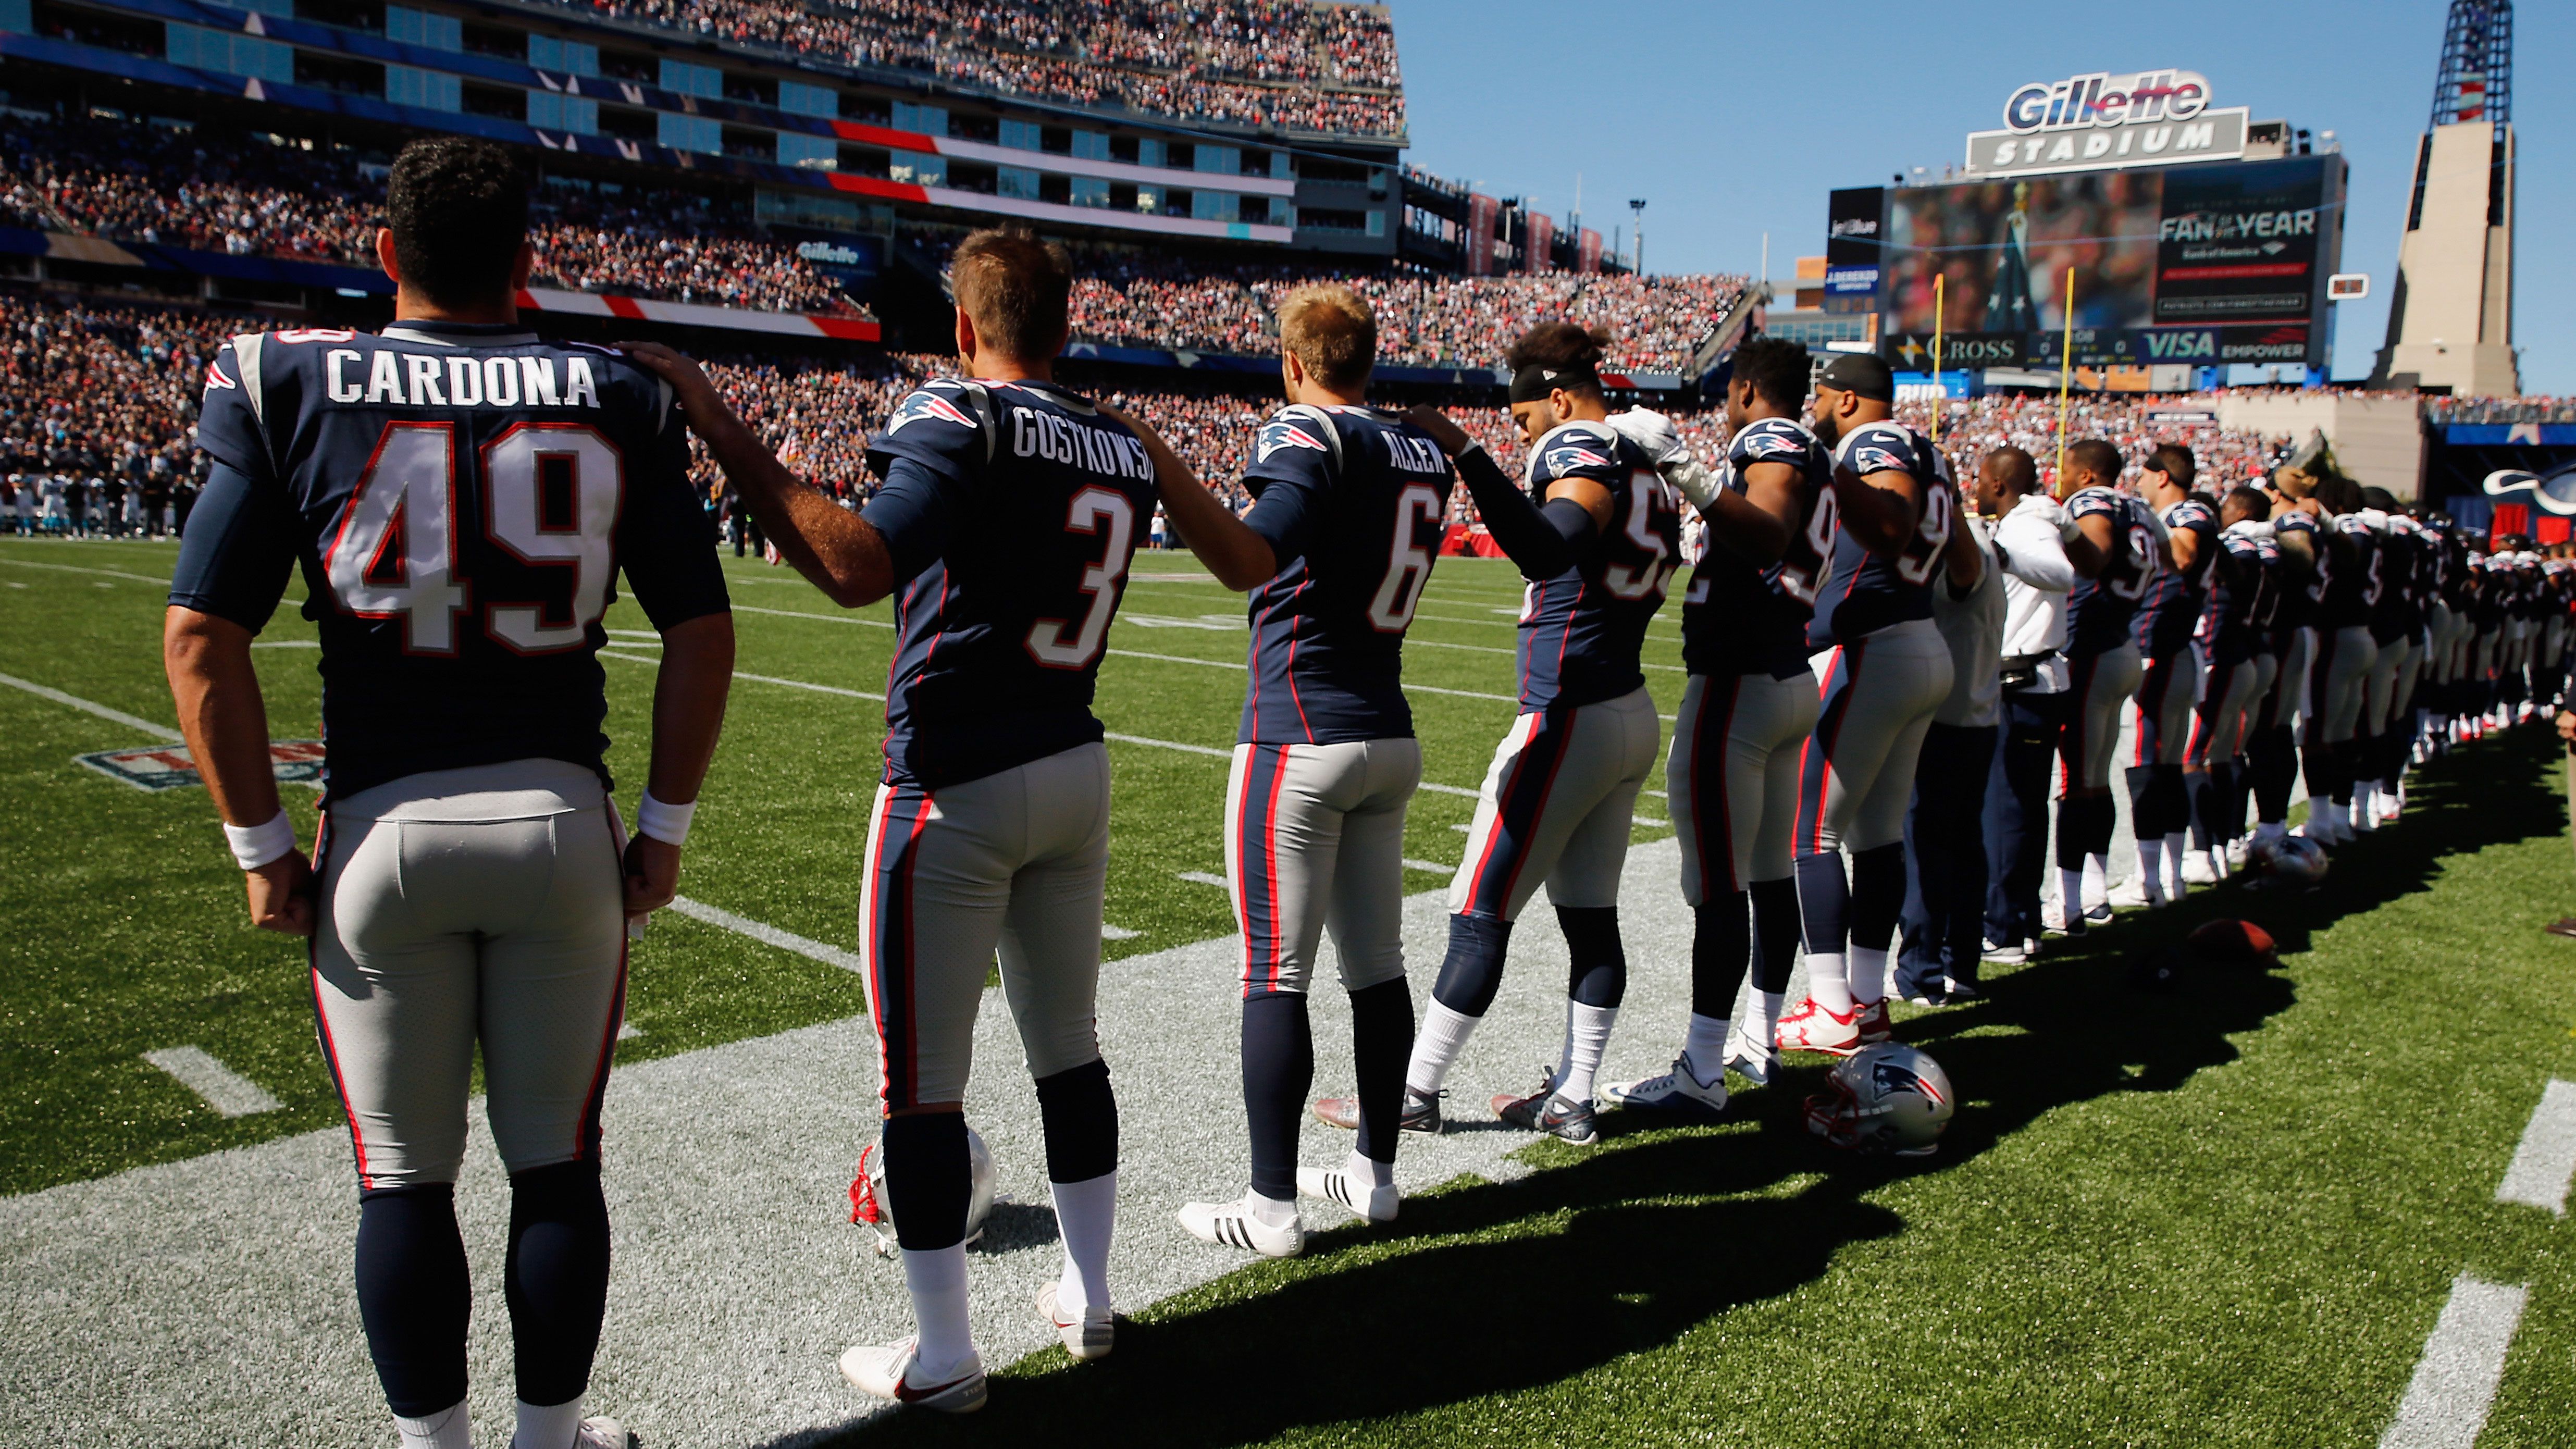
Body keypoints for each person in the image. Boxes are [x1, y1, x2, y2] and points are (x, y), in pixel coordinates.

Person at [162, 138, 735, 1449]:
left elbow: (201, 637)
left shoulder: (286, 373)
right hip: (555, 827)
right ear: (526, 262)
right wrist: (664, 831)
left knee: (405, 1181)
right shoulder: (609, 389)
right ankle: (550, 1439)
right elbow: (703, 630)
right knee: (554, 1163)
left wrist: (260, 848)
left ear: (386, 253)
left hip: (382, 833)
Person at [625, 225, 1257, 1410]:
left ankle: (946, 1353)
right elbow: (1243, 559)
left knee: (919, 1085)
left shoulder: (956, 415)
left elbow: (859, 565)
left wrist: (720, 427)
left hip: (953, 783)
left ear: (964, 329)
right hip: (1074, 761)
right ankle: (1090, 1292)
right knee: (1070, 1048)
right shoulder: (1120, 439)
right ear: (1066, 330)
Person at [1322, 320, 1677, 1147]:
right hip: (1628, 703)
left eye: (1523, 422)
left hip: (1571, 712)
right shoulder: (1647, 463)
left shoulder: (1579, 444)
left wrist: (1468, 455)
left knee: (1480, 911)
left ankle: (1413, 1090)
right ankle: (1574, 1096)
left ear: (1556, 397)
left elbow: (1550, 549)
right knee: (1591, 915)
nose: (1523, 438)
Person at [1168, 284, 1453, 1257]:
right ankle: (1375, 1180)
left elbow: (1258, 550)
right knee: (1377, 970)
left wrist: (1174, 480)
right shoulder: (1418, 448)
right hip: (1387, 729)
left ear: (1291, 363)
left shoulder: (1307, 434)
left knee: (1273, 974)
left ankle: (1271, 1208)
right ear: (1368, 358)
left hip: (1299, 734)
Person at [1603, 336, 1823, 1111]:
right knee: (1766, 874)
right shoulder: (1796, 444)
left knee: (1723, 886)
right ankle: (1758, 1044)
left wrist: (1684, 467)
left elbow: (1765, 530)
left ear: (1745, 388)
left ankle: (1702, 1069)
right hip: (1784, 674)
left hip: (1741, 682)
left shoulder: (1771, 438)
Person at [1776, 351, 1956, 1055]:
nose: (1815, 409)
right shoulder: (1931, 452)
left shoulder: (1873, 445)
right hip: (1918, 639)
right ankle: (1869, 1000)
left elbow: (1892, 522)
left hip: (1874, 648)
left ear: (1847, 401)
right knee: (1877, 835)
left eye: (1822, 397)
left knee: (1810, 834)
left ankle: (1831, 1008)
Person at [1976, 446, 2088, 966]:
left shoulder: (2024, 525)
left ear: (1999, 483)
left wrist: (2003, 556)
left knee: (2006, 809)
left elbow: (2062, 572)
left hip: (2021, 683)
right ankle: (2023, 919)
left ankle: (2003, 926)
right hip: (2038, 678)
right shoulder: (2039, 517)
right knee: (2022, 808)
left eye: (1981, 478)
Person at [2046, 439, 2164, 935]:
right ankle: (2092, 893)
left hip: (2093, 648)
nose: (2061, 480)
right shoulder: (2141, 509)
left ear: (2089, 474)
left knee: (2077, 781)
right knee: (2096, 776)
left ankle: (2070, 902)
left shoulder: (2092, 502)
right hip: (2123, 642)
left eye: (2068, 471)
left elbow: (2093, 550)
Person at [1896, 465, 1998, 1005]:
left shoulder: (1965, 540)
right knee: (1961, 846)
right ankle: (1961, 962)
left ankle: (1925, 971)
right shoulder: (1973, 534)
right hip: (1975, 711)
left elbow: (1962, 576)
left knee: (1930, 849)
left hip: (1950, 719)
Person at [2116, 444, 2215, 908]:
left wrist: (2150, 524)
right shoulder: (2183, 514)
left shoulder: (2189, 512)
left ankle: (2149, 878)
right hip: (2174, 649)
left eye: (2144, 475)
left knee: (2148, 766)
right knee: (2165, 766)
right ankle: (2168, 876)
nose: (2138, 484)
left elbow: (2186, 553)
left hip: (2161, 650)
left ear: (2162, 476)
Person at [2183, 487, 2276, 880]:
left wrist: (2208, 656)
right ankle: (2226, 842)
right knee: (2225, 754)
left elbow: (2221, 603)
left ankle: (2207, 850)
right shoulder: (2265, 546)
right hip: (2253, 653)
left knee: (2195, 757)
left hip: (2225, 656)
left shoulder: (2234, 546)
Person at [2302, 475, 2378, 845]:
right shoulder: (2372, 527)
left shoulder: (2350, 529)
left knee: (2319, 733)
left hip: (2337, 635)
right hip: (2360, 633)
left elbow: (2349, 555)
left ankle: (2323, 821)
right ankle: (2341, 816)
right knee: (2344, 731)